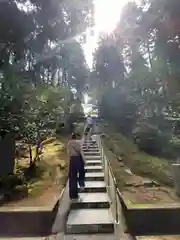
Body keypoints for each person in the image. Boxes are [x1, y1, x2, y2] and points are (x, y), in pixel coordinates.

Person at [67, 133, 85, 201]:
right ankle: (81, 185)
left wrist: (69, 163)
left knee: (72, 178)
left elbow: (68, 153)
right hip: (78, 159)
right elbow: (81, 152)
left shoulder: (69, 143)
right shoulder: (78, 142)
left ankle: (73, 195)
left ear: (71, 137)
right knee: (82, 172)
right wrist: (84, 160)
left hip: (72, 160)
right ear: (76, 137)